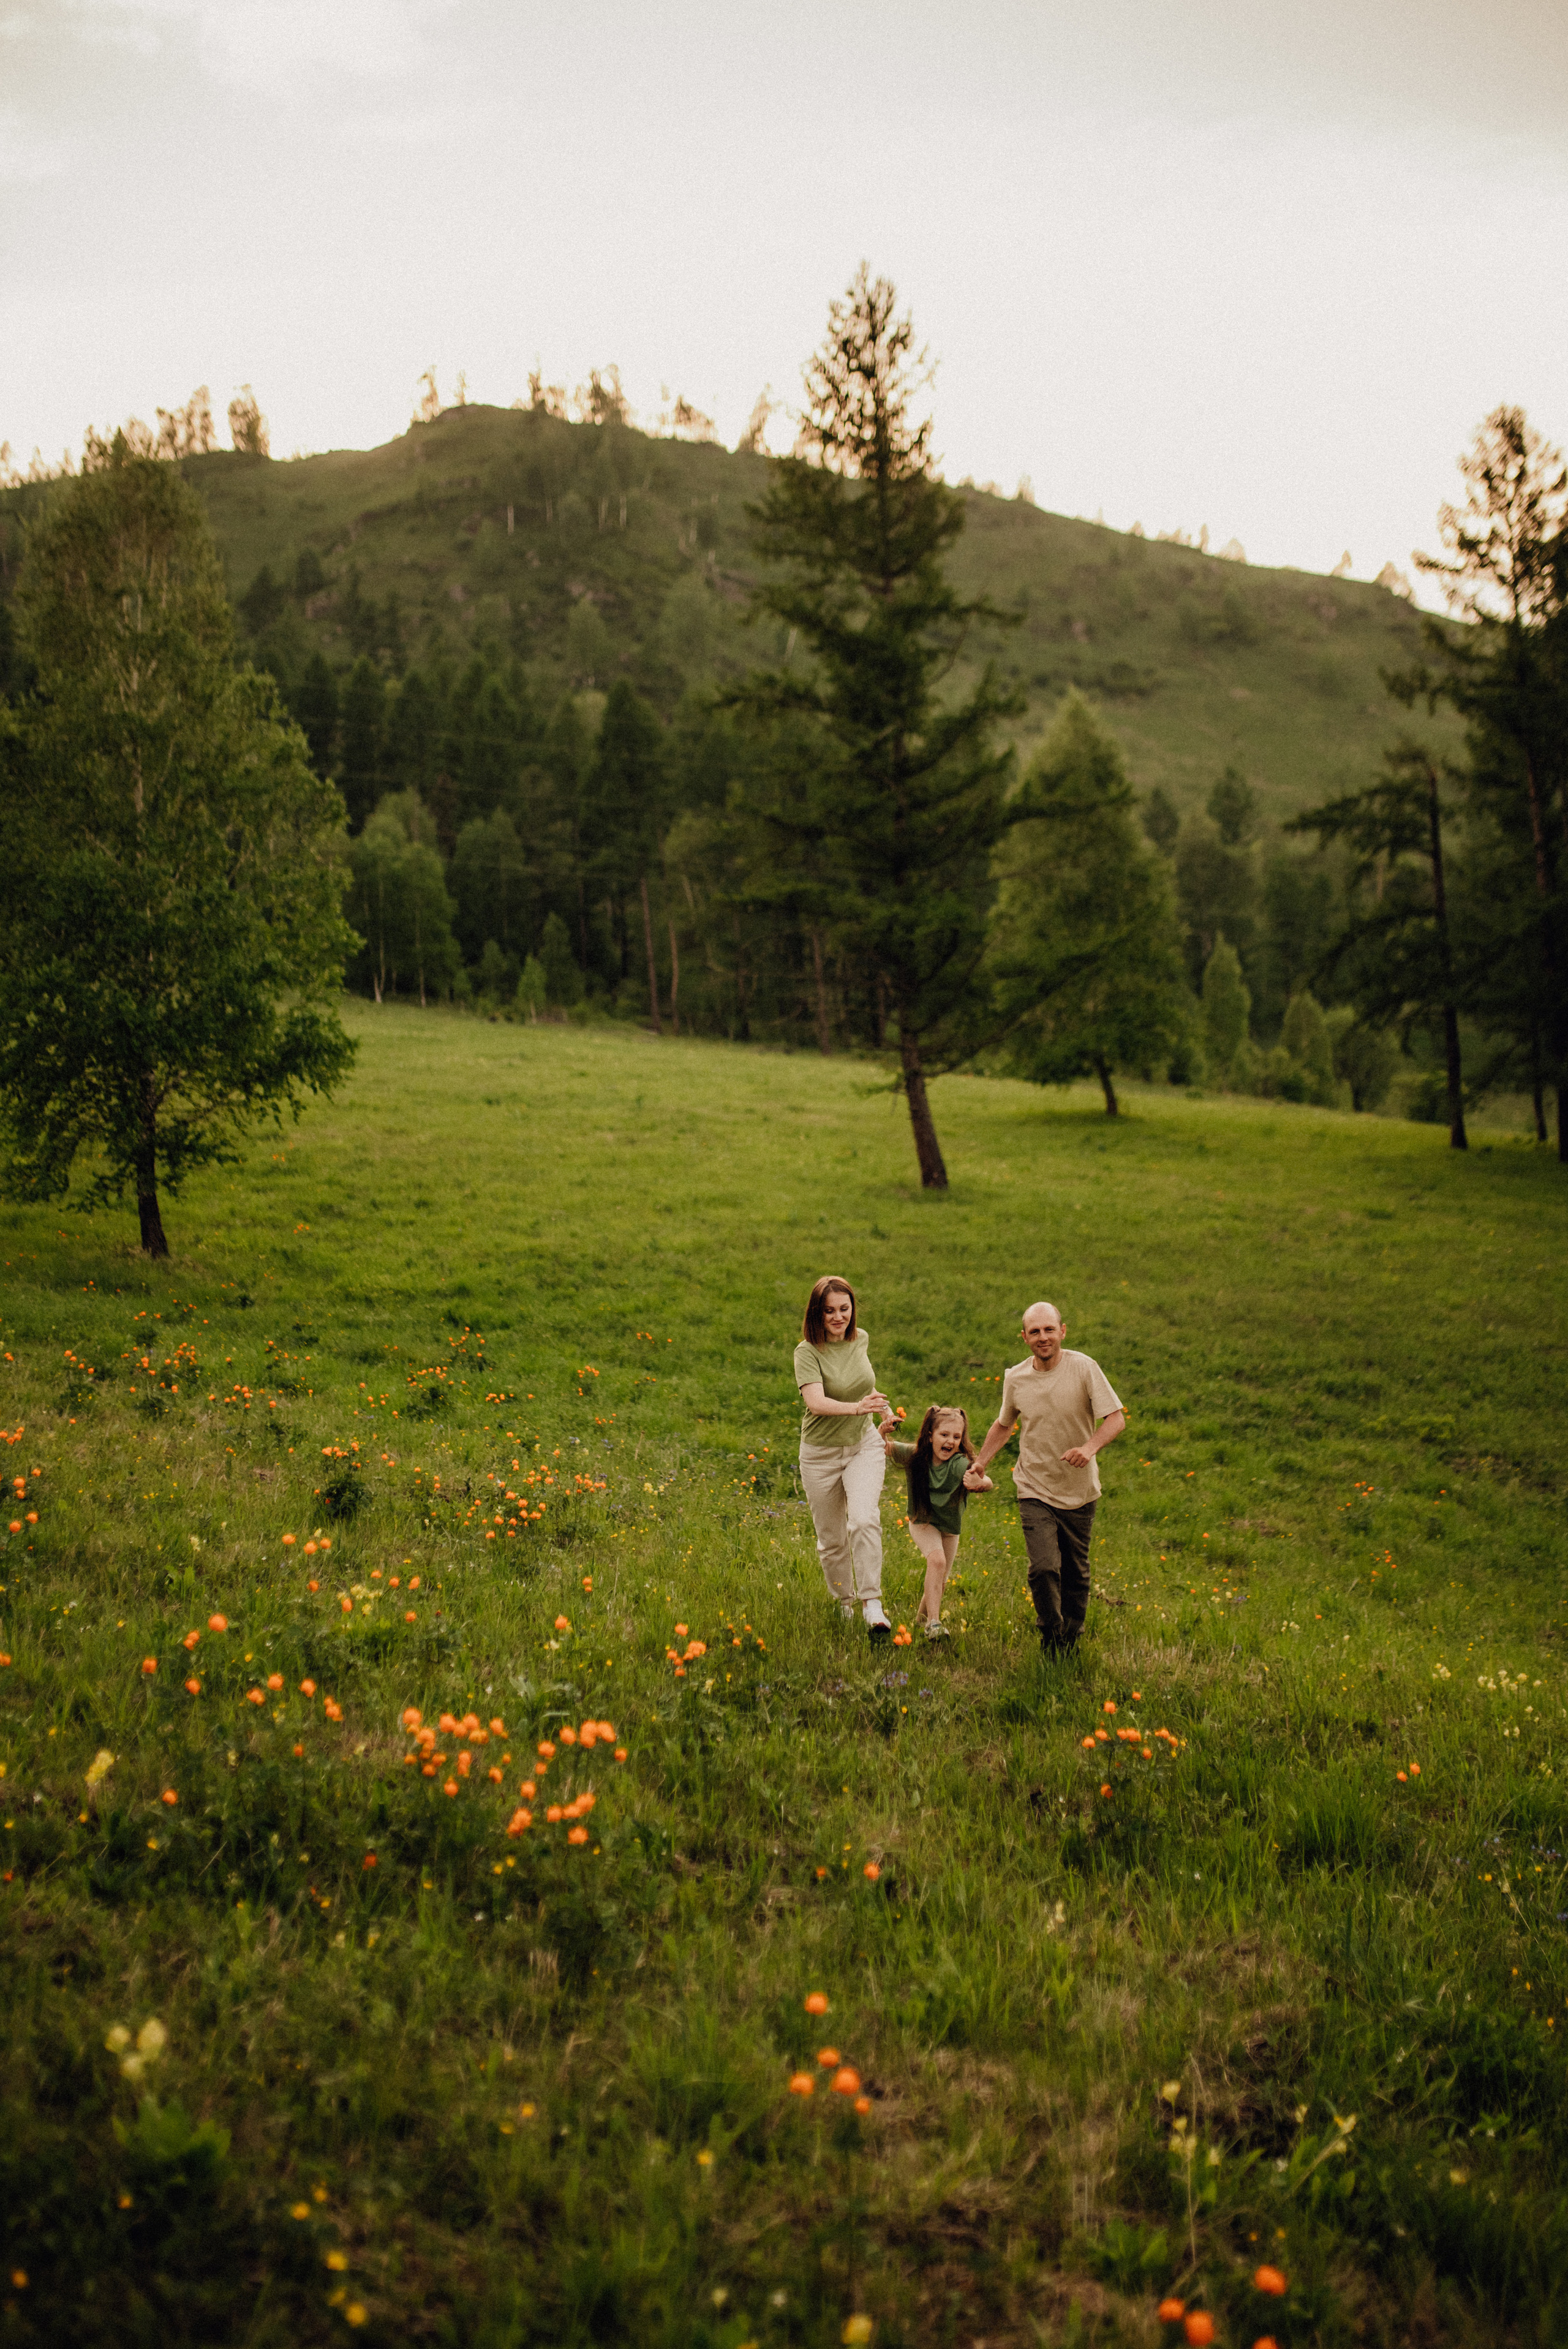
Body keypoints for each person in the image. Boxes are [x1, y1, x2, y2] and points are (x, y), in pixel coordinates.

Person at [970, 1300, 1125, 1655]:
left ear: (1062, 1332)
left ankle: (1070, 1640)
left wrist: (1089, 1448)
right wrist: (981, 1462)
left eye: (1049, 1330)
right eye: (1035, 1332)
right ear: (1024, 1337)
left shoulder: (1084, 1368)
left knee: (1076, 1573)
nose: (1043, 1337)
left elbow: (1116, 1419)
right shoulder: (1016, 1378)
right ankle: (1051, 1634)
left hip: (1079, 1490)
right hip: (1033, 1486)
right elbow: (1004, 1424)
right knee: (1043, 1568)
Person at [794, 1275, 895, 1640]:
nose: (838, 1317)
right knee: (832, 1540)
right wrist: (857, 1408)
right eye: (829, 1311)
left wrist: (883, 1410)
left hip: (862, 1445)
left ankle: (872, 1604)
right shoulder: (806, 1352)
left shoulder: (860, 1339)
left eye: (844, 1309)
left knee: (865, 1520)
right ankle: (844, 1603)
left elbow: (862, 1384)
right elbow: (816, 1402)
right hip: (819, 1456)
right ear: (816, 1314)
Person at [884, 1405, 993, 1640]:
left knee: (939, 1580)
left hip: (950, 1529)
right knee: (937, 1561)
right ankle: (934, 1624)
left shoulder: (959, 1463)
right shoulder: (915, 1456)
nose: (950, 1441)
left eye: (957, 1437)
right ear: (931, 1436)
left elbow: (985, 1479)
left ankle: (920, 1623)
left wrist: (982, 1484)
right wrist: (882, 1431)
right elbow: (884, 1447)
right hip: (923, 1521)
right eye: (944, 1435)